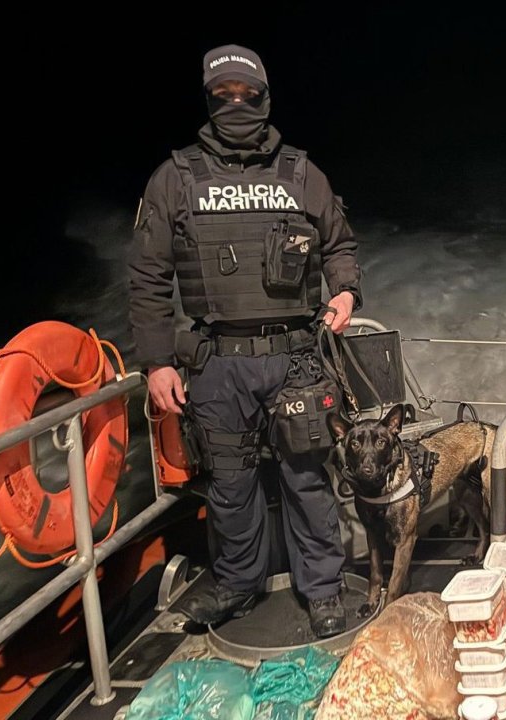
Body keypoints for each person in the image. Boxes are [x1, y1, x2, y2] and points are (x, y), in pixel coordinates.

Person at [128, 44, 361, 637]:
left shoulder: (301, 173)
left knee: (307, 480)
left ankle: (323, 588)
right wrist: (156, 362)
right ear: (208, 100)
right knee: (229, 486)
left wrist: (345, 293)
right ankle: (237, 582)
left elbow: (339, 244)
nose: (236, 104)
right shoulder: (175, 179)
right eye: (223, 95)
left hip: (295, 357)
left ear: (264, 97)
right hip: (218, 364)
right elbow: (148, 278)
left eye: (247, 94)